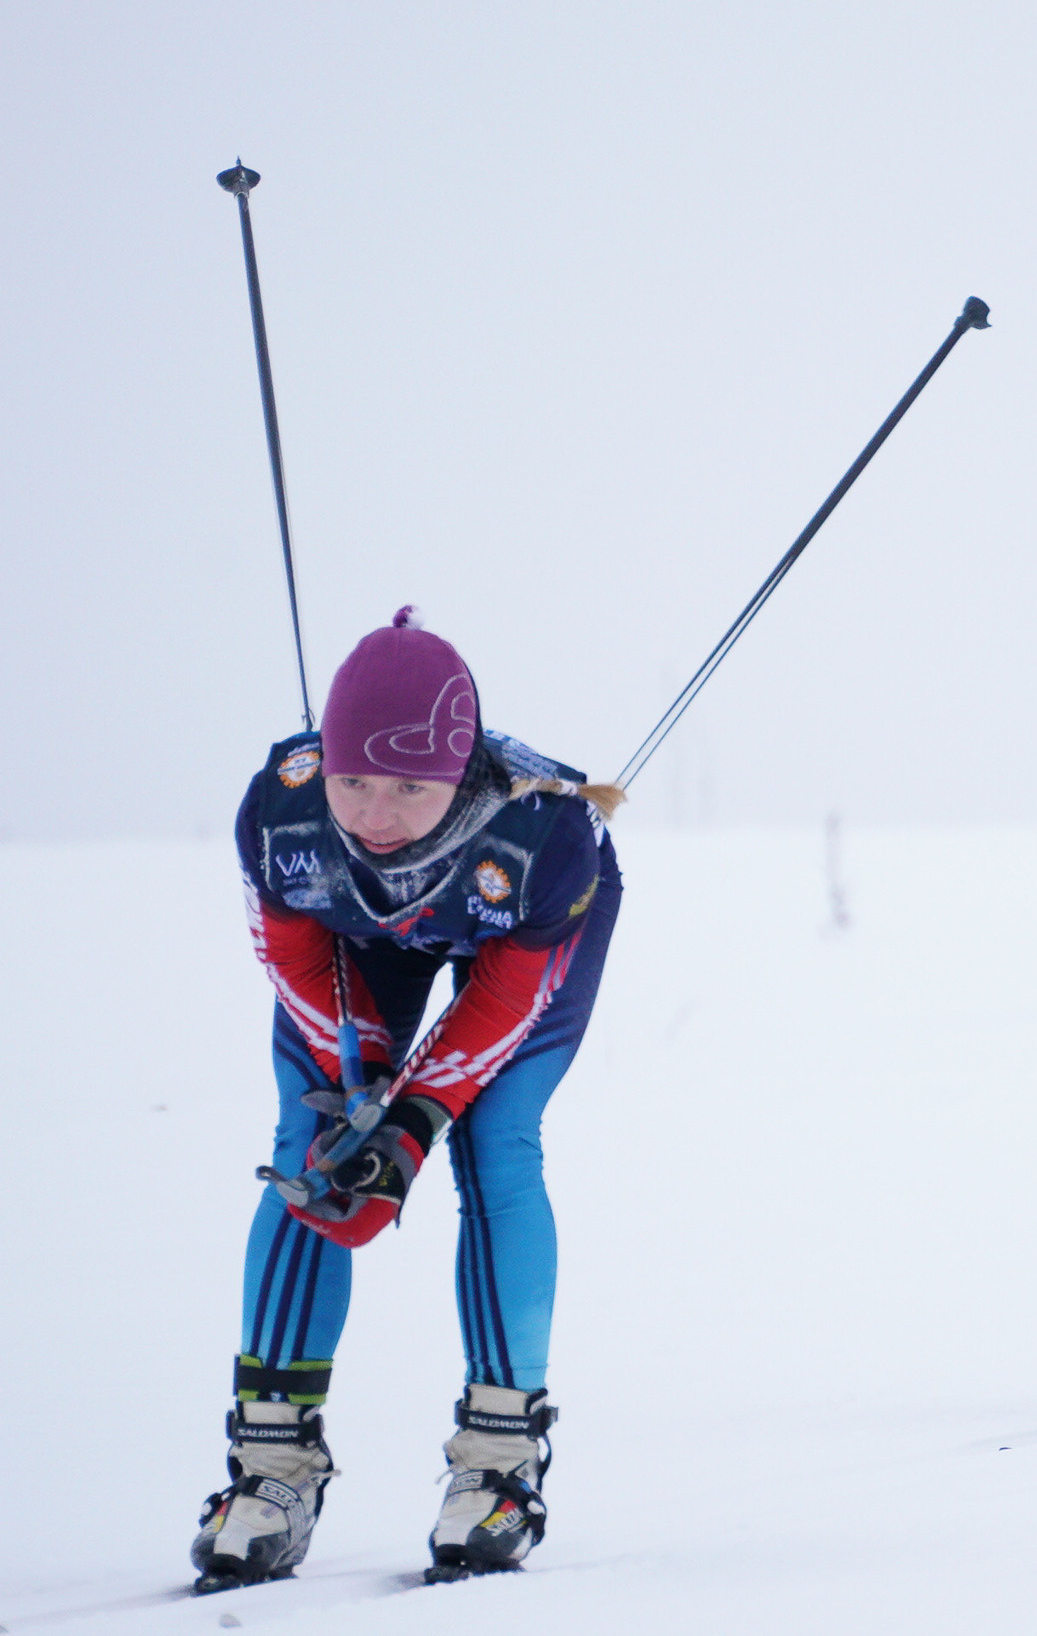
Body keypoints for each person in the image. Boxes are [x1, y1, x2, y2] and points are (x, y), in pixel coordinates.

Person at [192, 609, 622, 1593]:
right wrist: (365, 1092)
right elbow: (294, 962)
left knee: (494, 1139)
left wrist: (413, 1122)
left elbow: (505, 1002)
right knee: (316, 1141)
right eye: (353, 780)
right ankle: (271, 1469)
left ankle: (500, 1464)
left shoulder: (546, 838)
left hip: (516, 940)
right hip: (356, 945)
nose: (374, 814)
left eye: (409, 788)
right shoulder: (284, 816)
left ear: (459, 776)